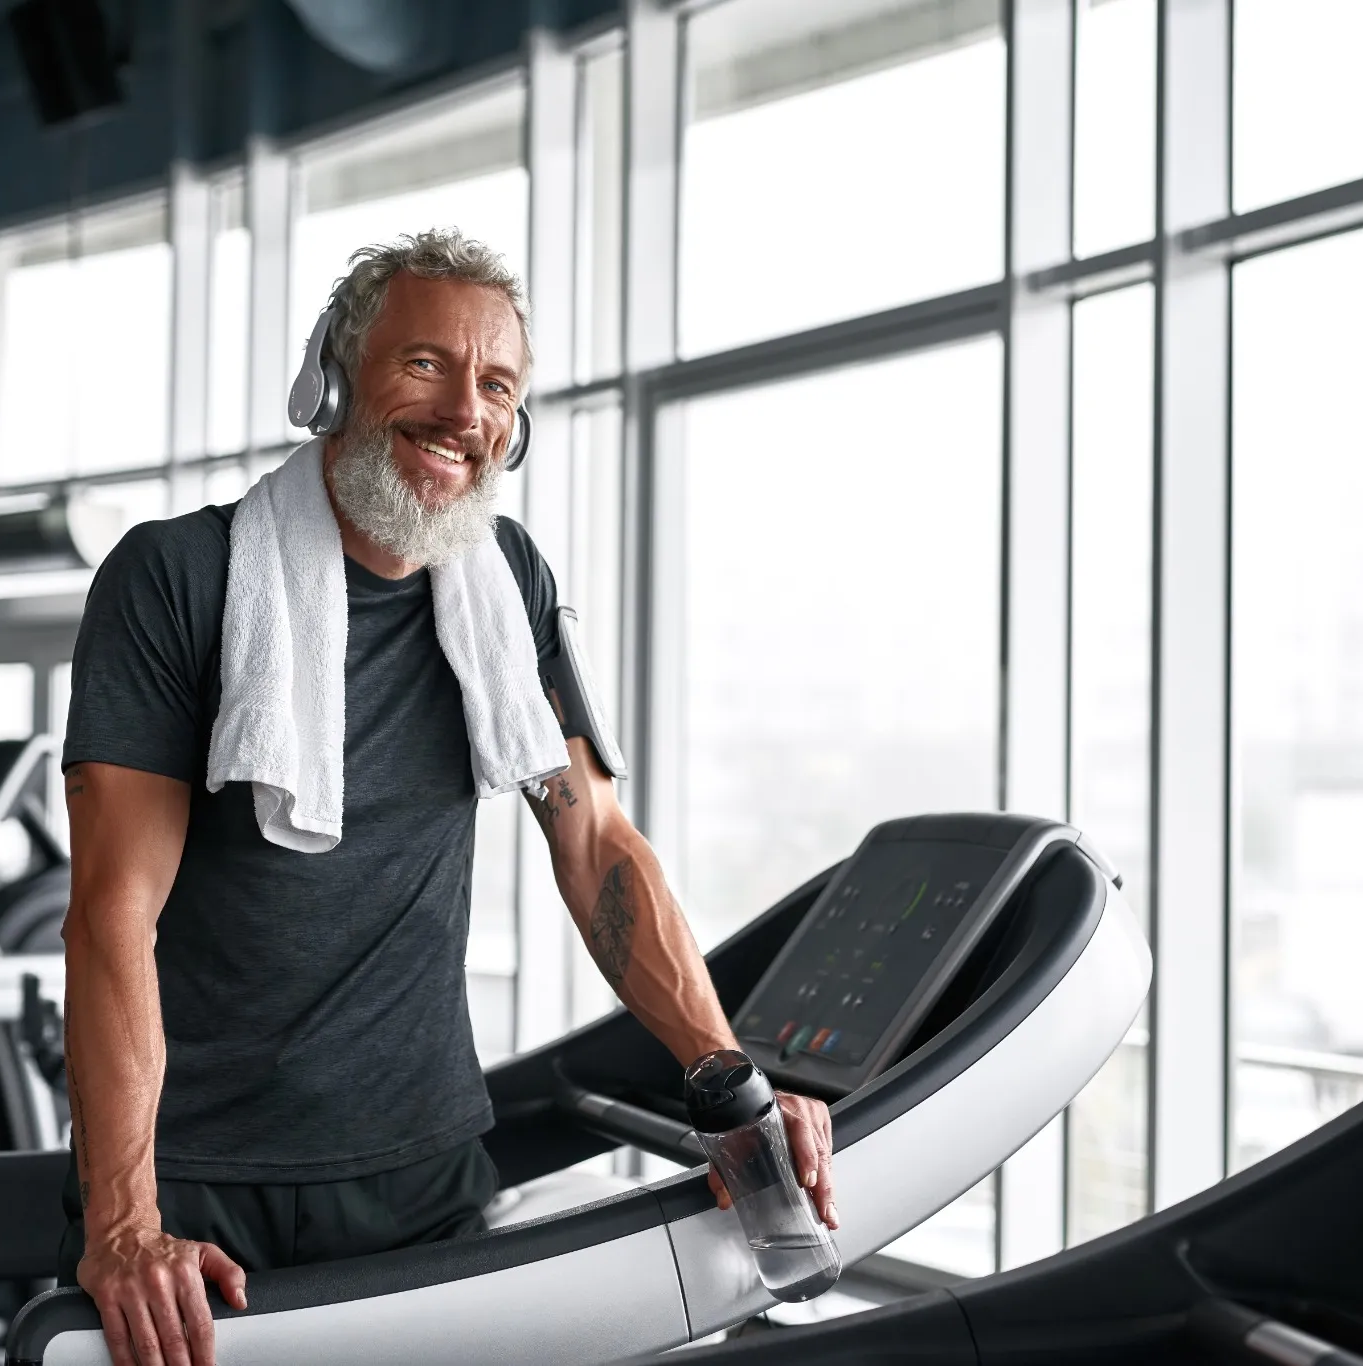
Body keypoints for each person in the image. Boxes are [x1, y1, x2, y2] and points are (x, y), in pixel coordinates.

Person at [58, 229, 837, 1366]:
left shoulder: (506, 582)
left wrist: (731, 1093)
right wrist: (123, 1222)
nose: (463, 410)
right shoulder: (178, 575)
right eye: (424, 365)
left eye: (496, 384)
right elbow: (110, 911)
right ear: (333, 377)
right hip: (201, 1184)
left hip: (423, 1177)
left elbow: (597, 849)